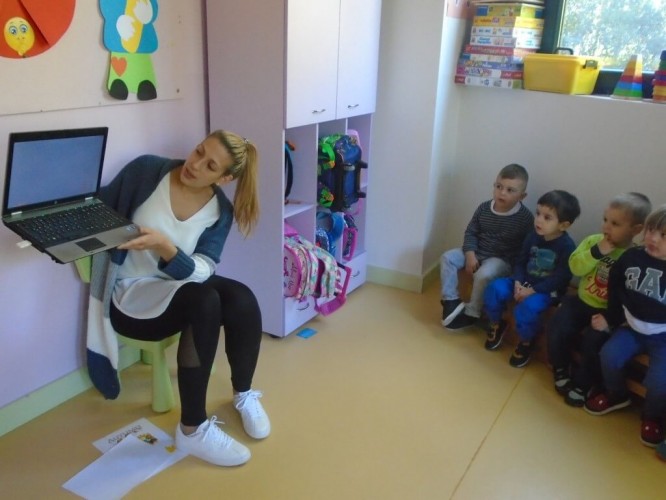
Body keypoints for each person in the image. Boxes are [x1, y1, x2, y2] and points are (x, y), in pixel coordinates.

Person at [85, 130, 268, 467]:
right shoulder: (146, 172)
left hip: (175, 287)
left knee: (242, 298)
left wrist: (164, 247)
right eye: (199, 152)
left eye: (210, 165)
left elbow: (203, 268)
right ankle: (192, 429)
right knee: (204, 301)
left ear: (224, 178)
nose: (195, 164)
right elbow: (96, 206)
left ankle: (243, 394)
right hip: (129, 295)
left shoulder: (220, 211)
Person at [547, 193, 651, 406]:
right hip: (582, 300)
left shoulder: (634, 256)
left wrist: (611, 319)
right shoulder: (594, 241)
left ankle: (584, 383)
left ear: (636, 229)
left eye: (615, 224)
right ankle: (560, 367)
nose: (606, 227)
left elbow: (630, 294)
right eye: (605, 220)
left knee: (594, 342)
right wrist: (596, 252)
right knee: (558, 324)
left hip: (608, 311)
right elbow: (575, 267)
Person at [584, 205, 666, 448]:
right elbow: (615, 290)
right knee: (609, 355)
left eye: (663, 235)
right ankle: (617, 395)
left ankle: (651, 415)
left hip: (662, 336)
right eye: (651, 230)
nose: (652, 238)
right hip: (630, 326)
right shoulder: (631, 257)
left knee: (660, 380)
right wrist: (611, 318)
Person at [483, 190, 580, 368]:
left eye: (547, 217)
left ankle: (526, 341)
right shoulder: (532, 236)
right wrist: (518, 281)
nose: (539, 220)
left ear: (563, 225)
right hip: (523, 281)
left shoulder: (567, 246)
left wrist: (532, 290)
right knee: (494, 288)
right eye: (538, 214)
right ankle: (497, 323)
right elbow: (520, 261)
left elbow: (561, 278)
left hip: (546, 290)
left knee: (527, 308)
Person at [440, 163, 533, 330]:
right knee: (448, 257)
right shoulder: (484, 208)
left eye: (510, 190)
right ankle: (450, 299)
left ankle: (472, 312)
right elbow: (471, 232)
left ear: (522, 196)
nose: (502, 193)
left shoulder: (525, 218)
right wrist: (470, 254)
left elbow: (526, 247)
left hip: (500, 259)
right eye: (499, 187)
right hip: (477, 251)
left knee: (484, 274)